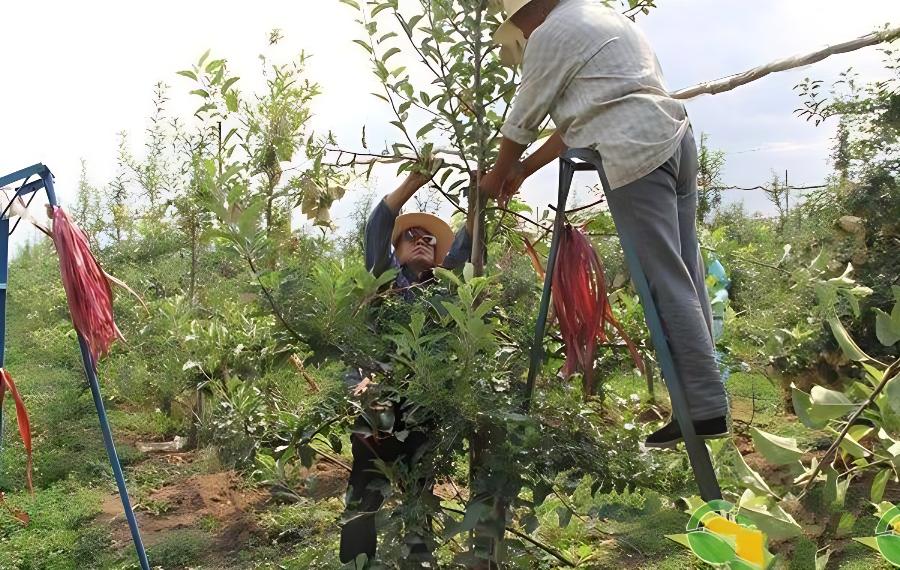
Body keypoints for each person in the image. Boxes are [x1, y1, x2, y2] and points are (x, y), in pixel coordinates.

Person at [480, 0, 730, 448]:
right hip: (673, 137)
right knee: (686, 270)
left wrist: (495, 178)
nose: (519, 30)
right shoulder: (598, 17)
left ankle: (705, 407)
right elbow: (572, 126)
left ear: (527, 13)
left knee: (663, 279)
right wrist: (522, 172)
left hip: (634, 150)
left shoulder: (549, 35)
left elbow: (521, 120)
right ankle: (703, 401)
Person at [339, 160, 473, 566]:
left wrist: (483, 196)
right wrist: (415, 180)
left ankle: (418, 562)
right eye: (411, 237)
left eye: (430, 241)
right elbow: (378, 225)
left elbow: (468, 244)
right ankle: (357, 564)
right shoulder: (383, 282)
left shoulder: (445, 289)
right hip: (377, 402)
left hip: (424, 407)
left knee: (419, 494)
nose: (421, 242)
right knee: (364, 491)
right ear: (395, 251)